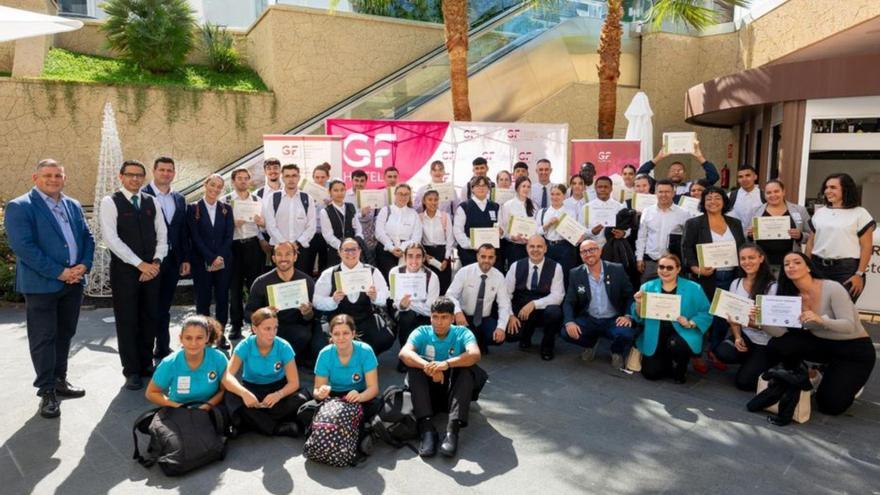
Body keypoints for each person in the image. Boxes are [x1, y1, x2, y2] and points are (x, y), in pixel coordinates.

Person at [5, 159, 94, 418]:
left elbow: (87, 237)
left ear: (64, 178)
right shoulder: (20, 206)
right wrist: (59, 272)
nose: (53, 179)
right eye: (47, 175)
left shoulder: (73, 205)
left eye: (58, 175)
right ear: (36, 178)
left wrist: (84, 266)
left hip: (74, 282)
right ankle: (46, 392)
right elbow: (24, 247)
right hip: (41, 285)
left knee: (65, 333)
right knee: (44, 338)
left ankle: (59, 380)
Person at [767, 252, 875, 415]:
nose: (791, 266)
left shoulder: (832, 287)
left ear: (808, 267)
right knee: (780, 344)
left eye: (796, 262)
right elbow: (779, 333)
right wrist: (761, 321)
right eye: (787, 264)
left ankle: (850, 383)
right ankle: (812, 374)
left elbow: (849, 326)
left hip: (854, 349)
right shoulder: (789, 296)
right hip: (822, 344)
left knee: (830, 406)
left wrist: (821, 320)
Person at [100, 160, 167, 391]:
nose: (135, 179)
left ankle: (146, 363)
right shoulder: (110, 202)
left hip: (152, 270)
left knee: (150, 317)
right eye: (130, 175)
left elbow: (162, 235)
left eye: (139, 175)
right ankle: (131, 371)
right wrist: (140, 265)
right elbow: (111, 239)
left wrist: (156, 262)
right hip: (126, 273)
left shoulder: (152, 202)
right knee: (128, 321)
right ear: (121, 177)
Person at [399, 297, 485, 458]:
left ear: (452, 318)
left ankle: (452, 431)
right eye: (435, 317)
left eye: (444, 317)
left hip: (453, 392)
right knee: (414, 368)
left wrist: (445, 364)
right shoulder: (422, 332)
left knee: (467, 370)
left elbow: (475, 354)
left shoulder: (462, 332)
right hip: (427, 394)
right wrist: (428, 366)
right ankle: (427, 430)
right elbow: (404, 353)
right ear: (430, 317)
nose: (439, 322)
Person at [681, 186, 746, 369]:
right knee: (702, 315)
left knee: (722, 317)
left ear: (724, 202)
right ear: (703, 202)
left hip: (731, 277)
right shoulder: (694, 223)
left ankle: (714, 350)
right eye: (708, 198)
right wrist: (696, 268)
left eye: (717, 198)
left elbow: (741, 248)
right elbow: (686, 249)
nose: (713, 201)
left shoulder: (734, 223)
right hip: (706, 277)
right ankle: (696, 352)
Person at [223, 307, 309, 437]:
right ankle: (276, 428)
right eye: (267, 329)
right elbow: (227, 376)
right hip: (252, 389)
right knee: (230, 395)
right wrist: (244, 393)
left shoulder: (284, 346)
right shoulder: (245, 345)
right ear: (254, 329)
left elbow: (294, 382)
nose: (272, 333)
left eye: (275, 328)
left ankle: (252, 422)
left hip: (277, 388)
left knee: (302, 397)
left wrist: (278, 395)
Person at [712, 244, 785, 391]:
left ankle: (768, 362)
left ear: (761, 258)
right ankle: (752, 361)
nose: (747, 262)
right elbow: (733, 316)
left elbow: (772, 327)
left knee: (744, 383)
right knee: (722, 352)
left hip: (766, 340)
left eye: (751, 257)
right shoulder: (736, 283)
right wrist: (737, 336)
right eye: (743, 259)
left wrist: (745, 322)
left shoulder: (773, 287)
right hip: (746, 335)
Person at [630, 254, 713, 383]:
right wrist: (639, 303)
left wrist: (690, 323)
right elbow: (640, 318)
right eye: (661, 267)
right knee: (651, 374)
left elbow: (706, 312)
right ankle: (667, 362)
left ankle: (681, 365)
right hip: (655, 335)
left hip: (682, 333)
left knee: (677, 345)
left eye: (670, 268)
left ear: (678, 269)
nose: (665, 271)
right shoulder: (647, 287)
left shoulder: (694, 288)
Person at [312, 314, 381, 457]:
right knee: (304, 411)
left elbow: (373, 389)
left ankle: (354, 436)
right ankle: (361, 433)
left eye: (345, 333)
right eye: (336, 334)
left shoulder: (365, 351)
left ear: (353, 334)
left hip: (360, 395)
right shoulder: (325, 354)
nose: (341, 337)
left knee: (379, 407)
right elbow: (317, 389)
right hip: (334, 398)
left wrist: (360, 396)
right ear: (331, 335)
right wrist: (321, 393)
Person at [141, 156, 190, 360]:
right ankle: (144, 352)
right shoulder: (141, 195)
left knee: (164, 306)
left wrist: (185, 258)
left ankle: (162, 347)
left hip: (172, 261)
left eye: (170, 170)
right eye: (162, 170)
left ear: (174, 173)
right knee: (148, 307)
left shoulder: (179, 198)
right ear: (154, 171)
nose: (166, 174)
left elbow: (183, 231)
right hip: (149, 261)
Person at [245, 242, 322, 367]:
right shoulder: (261, 282)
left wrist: (308, 313)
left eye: (288, 254)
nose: (284, 258)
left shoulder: (306, 281)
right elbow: (248, 314)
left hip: (296, 328)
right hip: (270, 328)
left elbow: (315, 316)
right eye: (279, 255)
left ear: (295, 257)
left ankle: (287, 362)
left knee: (304, 334)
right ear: (273, 258)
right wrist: (264, 313)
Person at [314, 238, 394, 356]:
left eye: (354, 249)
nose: (350, 253)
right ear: (339, 252)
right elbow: (316, 301)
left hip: (365, 318)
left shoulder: (372, 271)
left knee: (384, 338)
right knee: (319, 344)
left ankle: (366, 357)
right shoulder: (329, 273)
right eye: (346, 250)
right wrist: (333, 300)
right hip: (338, 321)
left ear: (360, 251)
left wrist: (375, 296)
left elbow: (384, 296)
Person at [562, 240, 635, 368]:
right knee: (566, 332)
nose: (588, 254)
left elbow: (630, 295)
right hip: (589, 318)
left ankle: (616, 351)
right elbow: (569, 301)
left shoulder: (616, 269)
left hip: (613, 319)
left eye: (592, 250)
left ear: (600, 251)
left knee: (626, 333)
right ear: (580, 255)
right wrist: (569, 322)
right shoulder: (575, 273)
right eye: (584, 251)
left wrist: (627, 315)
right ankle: (590, 344)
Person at [805, 173, 875, 301]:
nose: (827, 191)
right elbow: (811, 243)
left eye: (833, 187)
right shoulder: (820, 213)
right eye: (826, 187)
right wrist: (806, 267)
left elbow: (866, 246)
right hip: (817, 268)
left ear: (846, 189)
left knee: (840, 313)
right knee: (817, 310)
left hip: (845, 271)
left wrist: (859, 274)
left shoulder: (860, 213)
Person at [187, 174, 235, 348]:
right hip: (201, 262)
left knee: (222, 299)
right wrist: (210, 257)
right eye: (212, 184)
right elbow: (194, 236)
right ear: (205, 184)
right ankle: (204, 335)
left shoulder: (226, 209)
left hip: (223, 262)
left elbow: (229, 235)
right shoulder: (193, 208)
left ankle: (221, 335)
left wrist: (219, 256)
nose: (215, 189)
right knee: (203, 300)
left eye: (219, 186)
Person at [146, 315, 227, 410]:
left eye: (199, 338)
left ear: (207, 337)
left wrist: (205, 408)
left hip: (210, 410)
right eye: (188, 338)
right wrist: (180, 407)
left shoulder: (219, 358)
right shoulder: (169, 362)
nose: (193, 343)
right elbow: (151, 393)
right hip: (178, 412)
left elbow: (224, 390)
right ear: (181, 338)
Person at [223, 167, 267, 341]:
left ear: (249, 181)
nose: (242, 181)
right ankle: (235, 325)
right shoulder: (225, 201)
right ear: (233, 181)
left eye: (245, 178)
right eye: (239, 178)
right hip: (233, 247)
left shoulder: (257, 200)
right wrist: (231, 224)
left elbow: (264, 225)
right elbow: (219, 228)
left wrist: (261, 222)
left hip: (252, 245)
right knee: (234, 287)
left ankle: (255, 324)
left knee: (255, 286)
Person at [505, 235, 564, 360]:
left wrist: (534, 304)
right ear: (526, 248)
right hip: (521, 306)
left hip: (543, 307)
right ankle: (525, 336)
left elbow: (558, 296)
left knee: (554, 312)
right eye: (532, 246)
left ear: (545, 249)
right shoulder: (515, 266)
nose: (535, 250)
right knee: (510, 335)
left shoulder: (556, 267)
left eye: (539, 246)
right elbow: (506, 295)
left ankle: (547, 346)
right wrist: (510, 315)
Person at [446, 244, 512, 354]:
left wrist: (501, 328)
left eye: (490, 257)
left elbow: (504, 304)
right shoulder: (464, 272)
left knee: (496, 338)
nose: (486, 260)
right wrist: (457, 312)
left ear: (495, 259)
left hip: (484, 318)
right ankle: (474, 343)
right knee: (462, 341)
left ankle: (479, 342)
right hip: (464, 317)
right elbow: (450, 295)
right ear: (477, 256)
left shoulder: (499, 276)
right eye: (483, 256)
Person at [390, 244, 440, 370]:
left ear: (423, 258)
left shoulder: (432, 277)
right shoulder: (395, 272)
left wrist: (410, 304)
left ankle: (419, 356)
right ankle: (405, 357)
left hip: (425, 315)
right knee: (407, 316)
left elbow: (430, 309)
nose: (414, 260)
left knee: (414, 316)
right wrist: (403, 305)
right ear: (405, 258)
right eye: (410, 256)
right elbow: (396, 303)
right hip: (403, 313)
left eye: (418, 256)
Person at [748, 179, 812, 275]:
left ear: (783, 192)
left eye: (776, 191)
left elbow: (811, 236)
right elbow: (746, 235)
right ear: (764, 195)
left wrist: (800, 236)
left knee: (786, 290)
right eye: (768, 193)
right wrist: (750, 235)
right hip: (762, 264)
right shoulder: (755, 211)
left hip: (790, 264)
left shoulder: (799, 210)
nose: (773, 195)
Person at [264, 164, 317, 274]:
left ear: (298, 177)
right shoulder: (273, 198)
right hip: (279, 250)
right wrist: (285, 244)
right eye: (287, 176)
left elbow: (311, 226)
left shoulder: (307, 198)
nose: (291, 179)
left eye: (294, 175)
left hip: (301, 249)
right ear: (282, 178)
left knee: (302, 283)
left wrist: (297, 243)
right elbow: (270, 225)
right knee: (280, 284)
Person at [635, 179, 691, 283]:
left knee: (672, 296)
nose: (663, 195)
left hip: (673, 264)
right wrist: (639, 258)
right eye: (660, 192)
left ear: (673, 193)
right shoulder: (647, 211)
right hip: (651, 262)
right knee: (648, 294)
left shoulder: (684, 213)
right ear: (655, 193)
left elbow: (688, 240)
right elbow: (642, 237)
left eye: (667, 192)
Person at [636, 140, 719, 198]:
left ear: (685, 174)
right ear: (668, 173)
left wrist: (699, 157)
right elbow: (641, 174)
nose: (676, 172)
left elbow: (713, 177)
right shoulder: (658, 186)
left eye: (680, 170)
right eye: (673, 170)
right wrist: (658, 157)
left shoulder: (692, 187)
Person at [375, 184, 422, 277]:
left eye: (406, 194)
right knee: (388, 280)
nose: (403, 197)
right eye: (400, 194)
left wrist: (402, 248)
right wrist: (391, 248)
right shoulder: (385, 210)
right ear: (395, 195)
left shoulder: (414, 214)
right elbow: (379, 232)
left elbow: (417, 236)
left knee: (403, 281)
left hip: (406, 253)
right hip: (386, 251)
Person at [453, 176, 501, 268]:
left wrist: (500, 232)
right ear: (472, 189)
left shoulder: (495, 207)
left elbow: (499, 227)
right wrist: (472, 244)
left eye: (484, 185)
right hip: (470, 254)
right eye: (478, 186)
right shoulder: (464, 207)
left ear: (488, 189)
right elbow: (458, 231)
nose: (481, 188)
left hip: (490, 255)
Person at [537, 183, 580, 284]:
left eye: (558, 194)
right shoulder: (542, 212)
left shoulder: (571, 212)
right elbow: (537, 232)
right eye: (552, 194)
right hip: (547, 247)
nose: (554, 197)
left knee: (565, 277)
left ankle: (565, 299)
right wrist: (547, 225)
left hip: (565, 247)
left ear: (564, 196)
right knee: (548, 276)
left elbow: (575, 234)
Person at [321, 179, 365, 267]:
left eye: (342, 190)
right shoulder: (325, 211)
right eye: (336, 190)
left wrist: (356, 241)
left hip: (354, 251)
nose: (339, 193)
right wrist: (342, 248)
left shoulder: (351, 207)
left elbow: (358, 227)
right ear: (330, 192)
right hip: (336, 251)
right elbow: (328, 235)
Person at [419, 189, 455, 293]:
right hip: (427, 255)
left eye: (435, 200)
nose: (433, 202)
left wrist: (446, 259)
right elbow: (418, 238)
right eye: (430, 199)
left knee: (443, 285)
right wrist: (424, 254)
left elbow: (450, 239)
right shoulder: (420, 217)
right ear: (424, 201)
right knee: (427, 286)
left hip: (442, 253)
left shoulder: (444, 216)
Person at [498, 176, 537, 266]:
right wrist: (512, 237)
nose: (526, 189)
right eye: (523, 186)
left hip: (530, 247)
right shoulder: (508, 205)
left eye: (528, 187)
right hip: (514, 247)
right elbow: (503, 228)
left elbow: (536, 225)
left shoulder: (534, 205)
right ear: (517, 187)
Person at [583, 176, 626, 249]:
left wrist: (623, 233)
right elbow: (581, 230)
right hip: (593, 248)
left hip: (614, 248)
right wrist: (592, 232)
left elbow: (627, 229)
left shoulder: (620, 207)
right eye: (600, 187)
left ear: (611, 189)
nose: (603, 189)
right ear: (595, 189)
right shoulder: (586, 208)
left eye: (606, 187)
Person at [346, 169, 378, 264]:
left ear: (366, 182)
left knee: (369, 264)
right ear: (352, 181)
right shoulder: (345, 196)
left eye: (362, 181)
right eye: (356, 180)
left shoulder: (371, 196)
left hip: (369, 240)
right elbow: (347, 218)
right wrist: (361, 214)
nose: (359, 183)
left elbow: (373, 217)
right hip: (352, 236)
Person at [306, 163, 333, 276]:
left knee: (325, 265)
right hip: (310, 233)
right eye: (317, 177)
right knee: (308, 263)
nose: (320, 180)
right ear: (313, 178)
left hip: (325, 234)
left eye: (322, 177)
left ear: (327, 177)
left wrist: (331, 205)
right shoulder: (307, 191)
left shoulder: (332, 191)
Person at [256, 158, 283, 258]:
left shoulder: (289, 190)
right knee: (268, 270)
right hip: (267, 238)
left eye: (275, 168)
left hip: (287, 237)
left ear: (280, 170)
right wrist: (261, 239)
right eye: (269, 168)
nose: (272, 171)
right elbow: (255, 221)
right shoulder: (258, 194)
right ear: (265, 172)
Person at [728, 165, 764, 232]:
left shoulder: (764, 196)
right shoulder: (730, 196)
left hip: (758, 237)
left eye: (748, 175)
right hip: (736, 237)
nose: (744, 179)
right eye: (740, 177)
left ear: (755, 177)